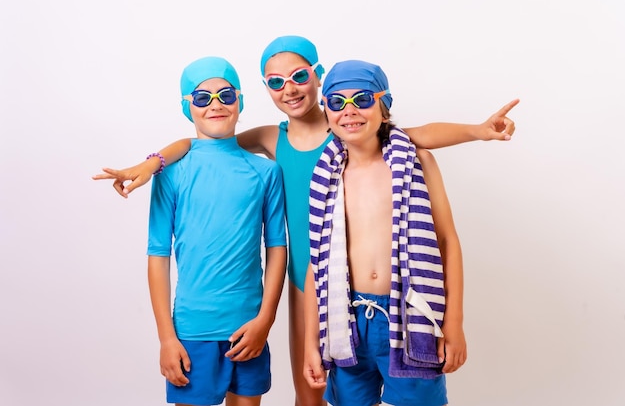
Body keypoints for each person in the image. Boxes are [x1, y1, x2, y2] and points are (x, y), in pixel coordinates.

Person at [93, 36, 517, 406]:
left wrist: (478, 131)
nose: (289, 88)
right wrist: (152, 163)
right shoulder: (269, 138)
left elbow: (418, 133)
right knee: (309, 391)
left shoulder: (347, 129)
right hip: (307, 280)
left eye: (298, 76)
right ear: (263, 90)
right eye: (275, 82)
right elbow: (204, 142)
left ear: (317, 75)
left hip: (360, 284)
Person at [303, 59, 465, 406]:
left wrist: (453, 323)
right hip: (345, 323)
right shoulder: (327, 177)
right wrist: (309, 344)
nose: (349, 111)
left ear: (383, 105)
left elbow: (447, 241)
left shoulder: (415, 163)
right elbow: (316, 266)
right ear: (327, 111)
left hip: (410, 315)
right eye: (336, 102)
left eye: (361, 99)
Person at [147, 56, 286, 406]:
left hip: (247, 326)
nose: (215, 105)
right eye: (202, 97)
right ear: (187, 106)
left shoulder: (265, 172)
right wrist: (167, 337)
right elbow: (158, 255)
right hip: (192, 330)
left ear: (240, 100)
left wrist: (265, 320)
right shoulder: (172, 172)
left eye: (225, 95)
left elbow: (277, 249)